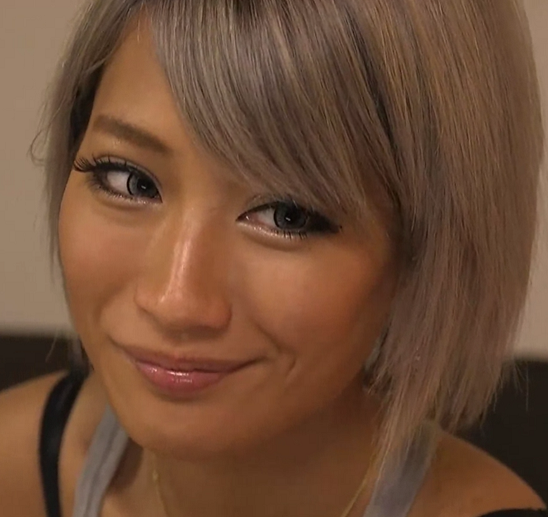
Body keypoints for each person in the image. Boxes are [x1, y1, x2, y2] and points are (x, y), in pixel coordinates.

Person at [0, 0, 546, 516]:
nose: (174, 301)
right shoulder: (18, 471)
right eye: (131, 181)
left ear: (425, 248)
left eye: (287, 216)